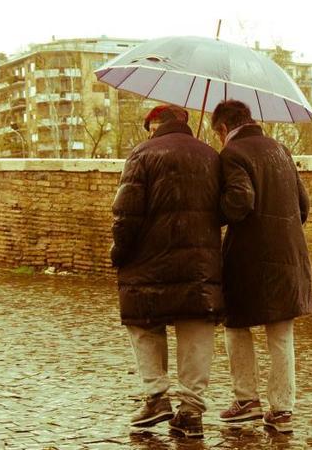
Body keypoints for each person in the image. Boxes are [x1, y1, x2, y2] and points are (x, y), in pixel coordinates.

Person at [110, 105, 223, 438]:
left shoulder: (142, 154)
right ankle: (191, 411)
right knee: (196, 329)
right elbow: (226, 208)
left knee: (144, 325)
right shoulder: (211, 156)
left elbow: (126, 213)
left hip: (149, 261)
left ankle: (157, 396)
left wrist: (119, 253)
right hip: (200, 262)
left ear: (154, 125)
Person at [210, 99, 312, 433]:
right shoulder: (280, 149)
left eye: (217, 136)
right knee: (281, 333)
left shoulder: (233, 154)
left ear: (223, 129)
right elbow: (303, 204)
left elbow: (240, 201)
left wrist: (215, 212)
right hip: (289, 254)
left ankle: (246, 400)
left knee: (235, 325)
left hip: (249, 257)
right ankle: (282, 410)